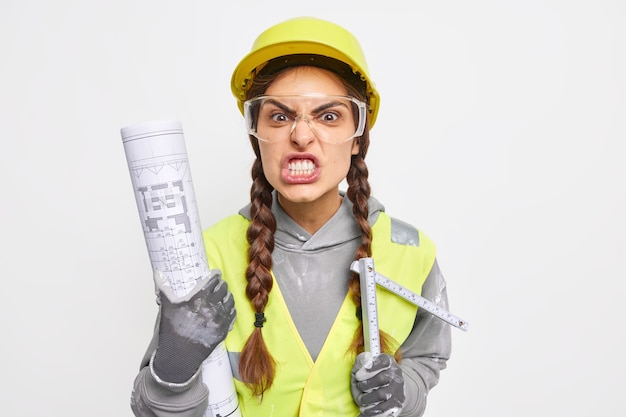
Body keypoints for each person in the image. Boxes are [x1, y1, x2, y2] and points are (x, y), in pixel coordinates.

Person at [130, 16, 452, 417]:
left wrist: (405, 391)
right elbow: (151, 409)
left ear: (358, 137)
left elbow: (427, 357)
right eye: (279, 117)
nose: (301, 136)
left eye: (329, 116)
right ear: (256, 134)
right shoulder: (205, 256)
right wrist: (174, 367)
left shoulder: (411, 252)